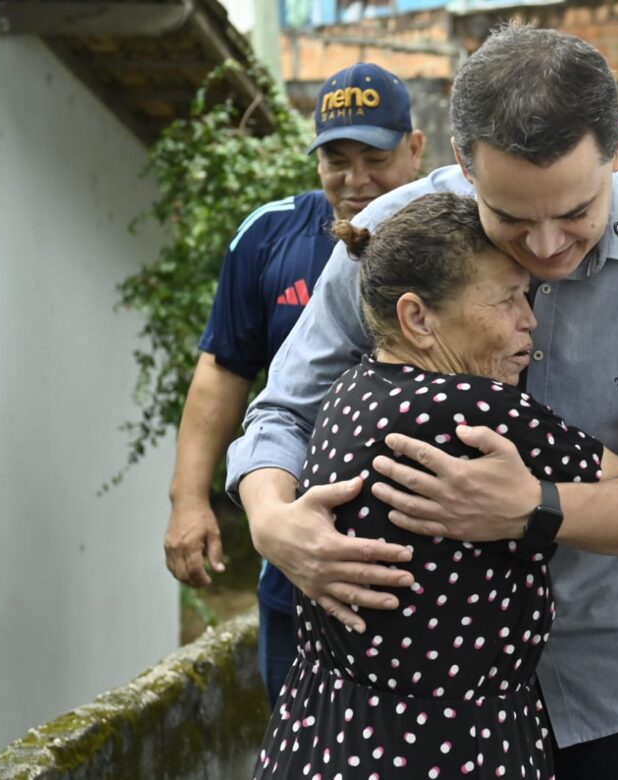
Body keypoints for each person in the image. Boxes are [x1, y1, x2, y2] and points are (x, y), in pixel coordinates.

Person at [229, 23, 618, 778]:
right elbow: (284, 410)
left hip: (607, 685)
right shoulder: (391, 238)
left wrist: (534, 507)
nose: (545, 247)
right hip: (403, 706)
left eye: (575, 212)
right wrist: (273, 521)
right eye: (512, 219)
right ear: (461, 164)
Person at [254, 192, 618, 778]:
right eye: (509, 298)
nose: (530, 319)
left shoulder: (348, 391)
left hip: (323, 729)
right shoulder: (475, 409)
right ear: (418, 319)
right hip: (446, 747)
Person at [162, 62, 425, 706]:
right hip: (297, 564)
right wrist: (189, 499)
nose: (356, 181)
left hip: (432, 564)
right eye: (337, 159)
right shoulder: (268, 235)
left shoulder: (461, 234)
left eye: (376, 157)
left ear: (416, 149)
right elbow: (225, 370)